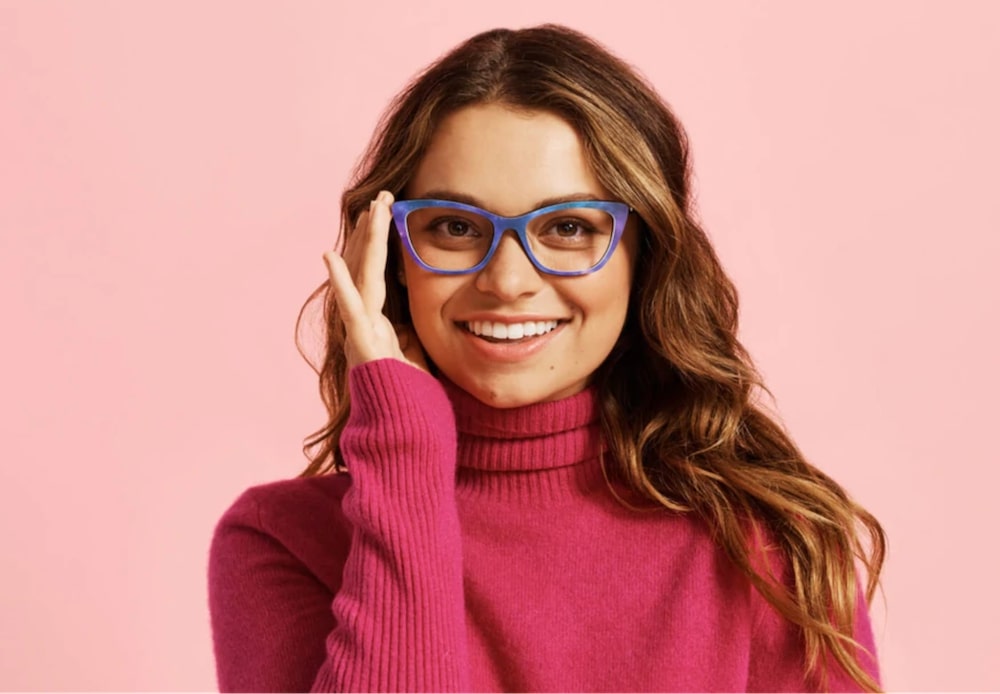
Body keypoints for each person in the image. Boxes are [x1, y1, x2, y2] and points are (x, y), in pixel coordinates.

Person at [208, 24, 886, 692]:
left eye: (567, 228)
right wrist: (406, 456)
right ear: (385, 256)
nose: (507, 281)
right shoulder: (282, 545)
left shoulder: (771, 547)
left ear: (644, 256)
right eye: (455, 227)